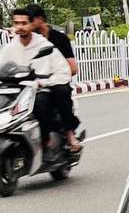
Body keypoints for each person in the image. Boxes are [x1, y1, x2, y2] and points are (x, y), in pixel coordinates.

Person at [0, 9, 80, 153]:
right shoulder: (9, 48)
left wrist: (45, 81)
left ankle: (48, 140)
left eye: (24, 23)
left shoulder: (44, 46)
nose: (20, 27)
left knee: (40, 102)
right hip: (18, 89)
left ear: (31, 24)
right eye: (16, 23)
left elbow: (63, 71)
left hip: (42, 87)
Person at [25, 3, 82, 150]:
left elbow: (73, 68)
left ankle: (69, 134)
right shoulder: (28, 41)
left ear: (40, 19)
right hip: (34, 84)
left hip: (56, 81)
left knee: (61, 92)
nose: (28, 25)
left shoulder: (59, 38)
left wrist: (51, 74)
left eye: (31, 20)